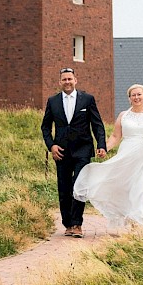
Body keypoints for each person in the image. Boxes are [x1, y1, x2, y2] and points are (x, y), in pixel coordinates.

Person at [73, 83, 143, 231]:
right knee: (126, 188)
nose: (136, 97)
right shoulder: (124, 116)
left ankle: (142, 223)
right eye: (133, 95)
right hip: (127, 156)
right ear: (129, 98)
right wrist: (104, 148)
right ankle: (124, 218)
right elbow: (116, 136)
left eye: (139, 94)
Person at [41, 67, 107, 238]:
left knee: (79, 186)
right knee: (64, 188)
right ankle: (68, 224)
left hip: (83, 150)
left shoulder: (87, 99)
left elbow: (97, 124)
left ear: (75, 80)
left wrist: (101, 145)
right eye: (64, 79)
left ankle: (77, 224)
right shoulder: (53, 101)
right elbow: (45, 127)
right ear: (60, 82)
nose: (67, 82)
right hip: (61, 151)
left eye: (70, 79)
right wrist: (51, 146)